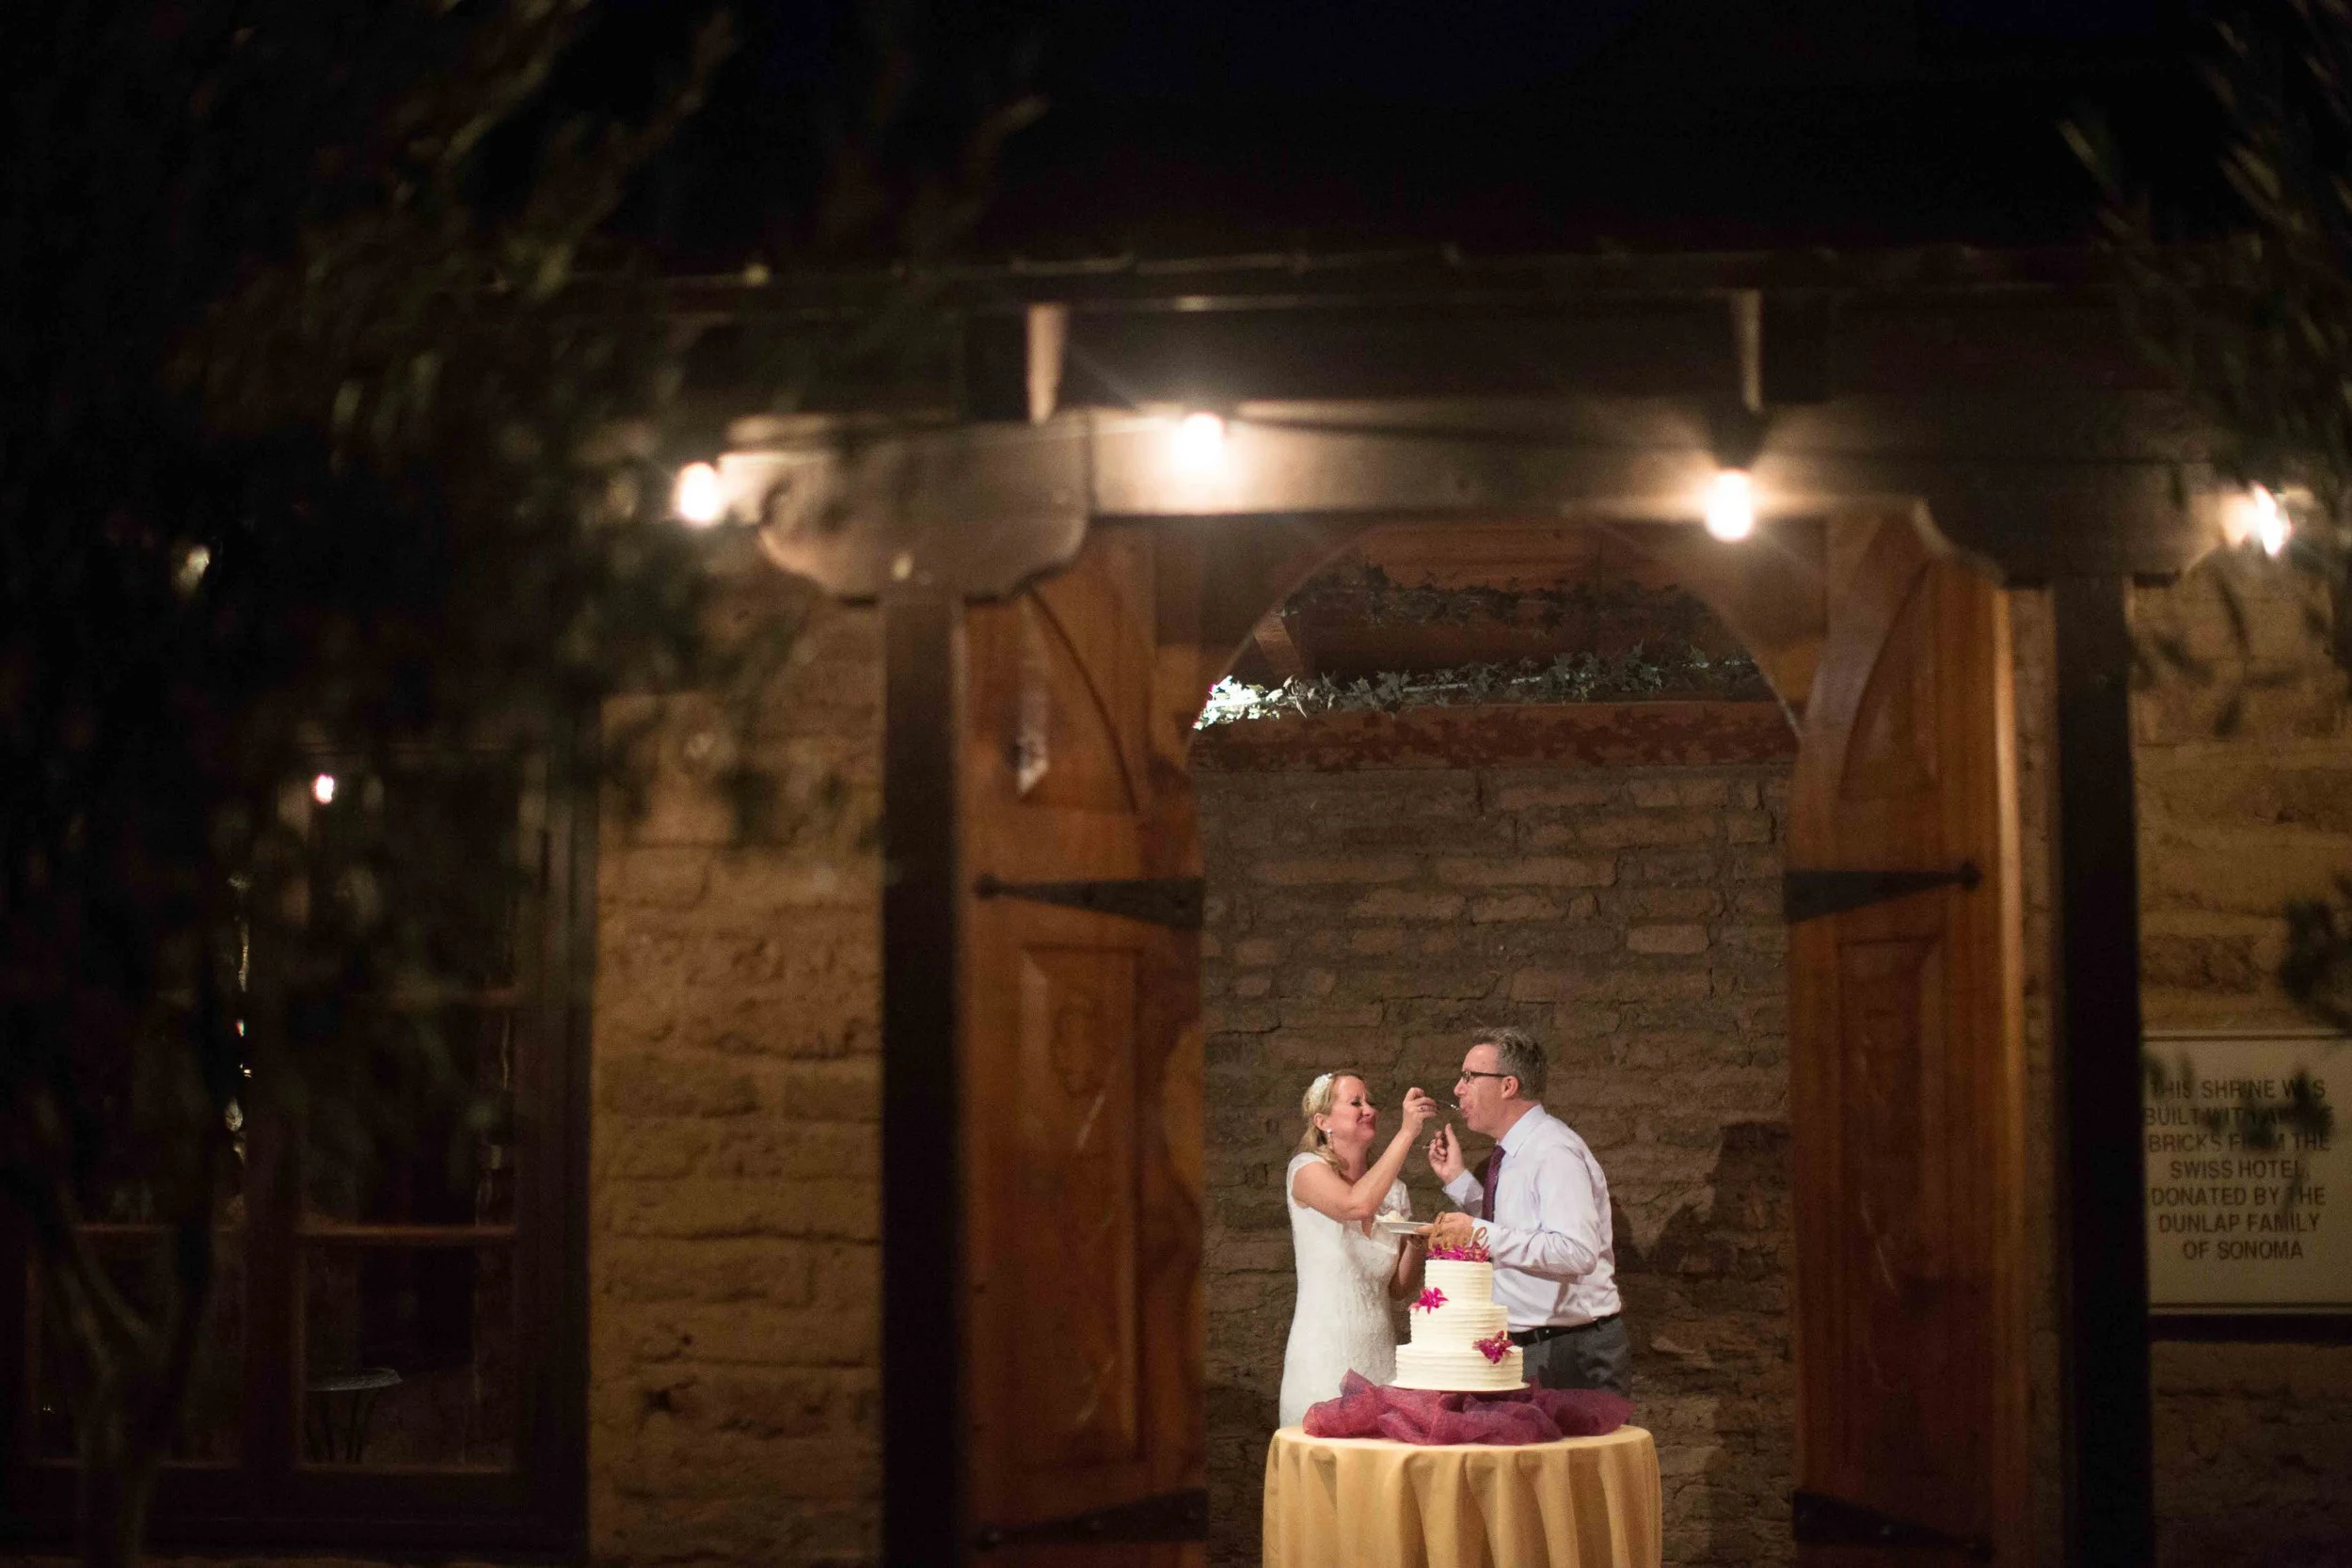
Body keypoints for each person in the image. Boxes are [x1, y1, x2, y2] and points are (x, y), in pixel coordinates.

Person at [1425, 1027, 1629, 1397]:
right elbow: (1518, 1227)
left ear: (1508, 1086)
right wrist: (1458, 1180)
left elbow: (1577, 1251)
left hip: (1570, 1351)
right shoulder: (1515, 1152)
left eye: (1470, 1076)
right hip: (1532, 1345)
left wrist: (1478, 1233)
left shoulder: (1553, 1152)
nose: (1458, 1088)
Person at [1277, 1069, 1438, 1427]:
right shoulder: (1306, 1170)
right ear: (1323, 1121)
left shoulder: (1393, 1190)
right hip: (1322, 1352)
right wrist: (1408, 1132)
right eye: (1355, 1103)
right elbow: (1355, 1206)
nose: (1369, 1109)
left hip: (1378, 1354)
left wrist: (1415, 1244)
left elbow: (1397, 1287)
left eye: (1370, 1102)